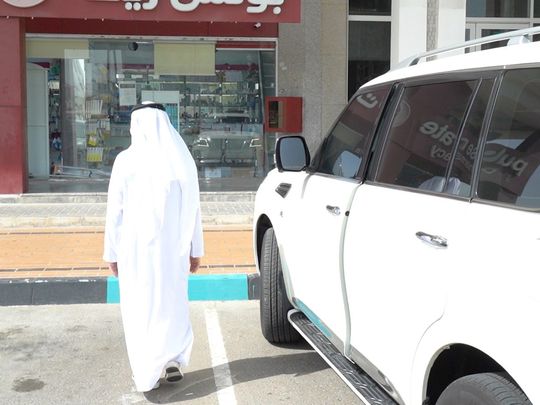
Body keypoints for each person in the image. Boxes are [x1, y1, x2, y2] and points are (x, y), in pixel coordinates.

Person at [103, 102, 204, 392]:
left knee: (141, 307)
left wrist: (112, 252)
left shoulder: (125, 161)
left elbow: (114, 211)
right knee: (171, 304)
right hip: (173, 250)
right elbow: (194, 209)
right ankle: (172, 359)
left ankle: (147, 370)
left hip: (135, 252)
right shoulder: (180, 160)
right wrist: (195, 248)